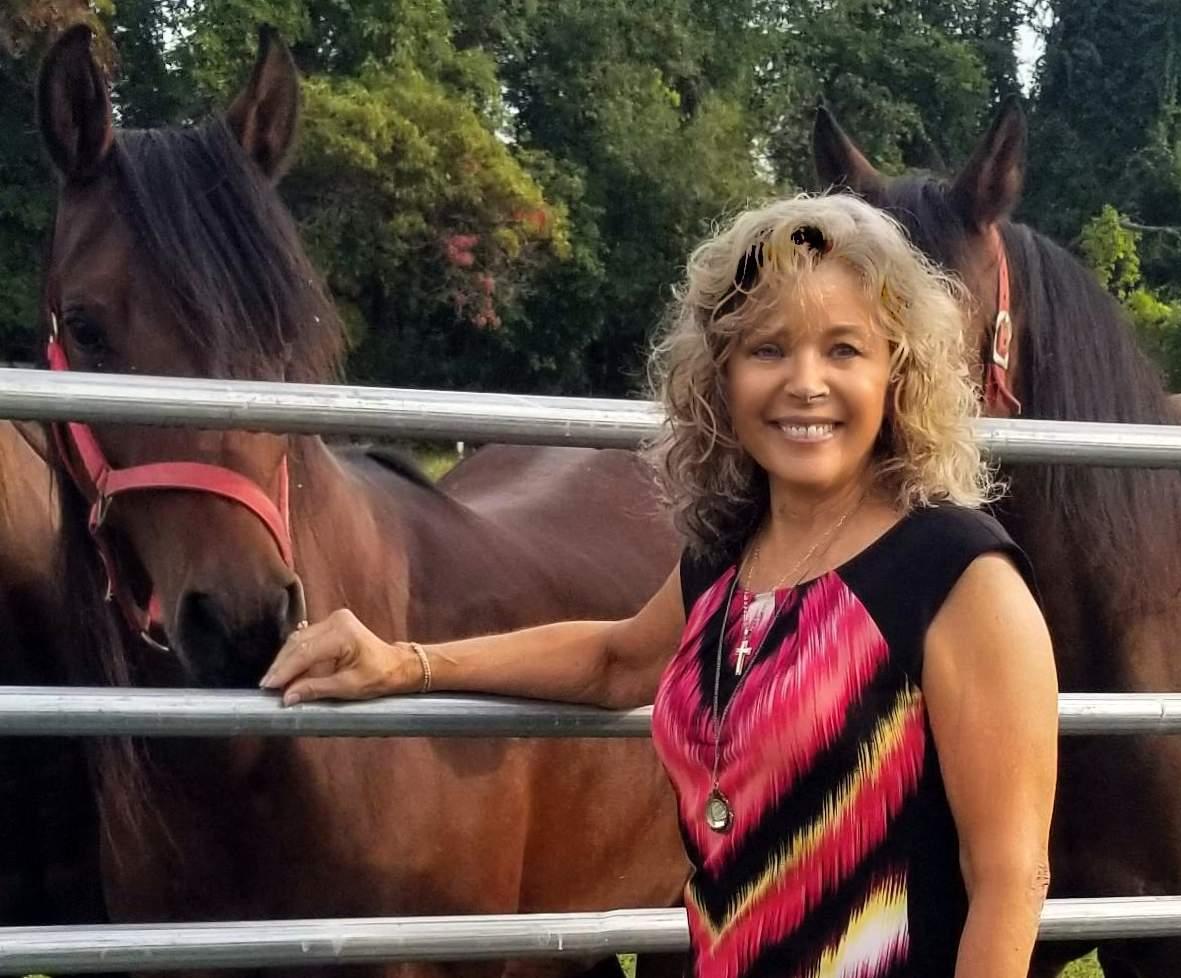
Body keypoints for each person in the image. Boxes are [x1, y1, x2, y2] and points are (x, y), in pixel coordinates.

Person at [261, 194, 1058, 978]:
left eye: (844, 350)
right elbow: (616, 659)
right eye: (768, 349)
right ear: (721, 376)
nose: (805, 383)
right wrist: (405, 663)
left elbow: (1010, 878)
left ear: (898, 371)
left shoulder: (958, 577)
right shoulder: (731, 555)